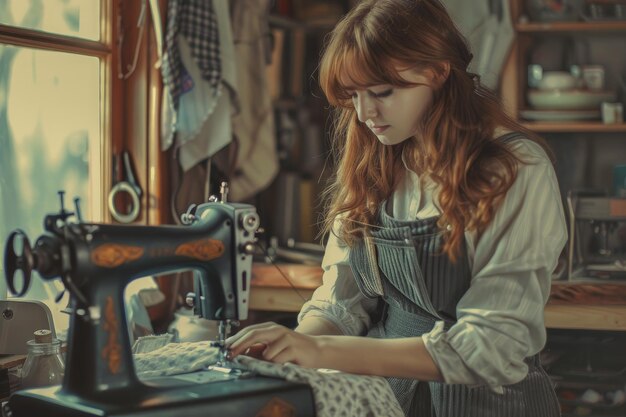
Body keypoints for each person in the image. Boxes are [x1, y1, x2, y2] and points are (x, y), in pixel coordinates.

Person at [226, 0, 567, 415]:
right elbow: (342, 304)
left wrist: (320, 349)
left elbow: (493, 344)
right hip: (385, 403)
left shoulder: (513, 169)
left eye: (383, 92)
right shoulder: (375, 163)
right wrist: (291, 352)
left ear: (438, 72)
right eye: (354, 95)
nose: (365, 113)